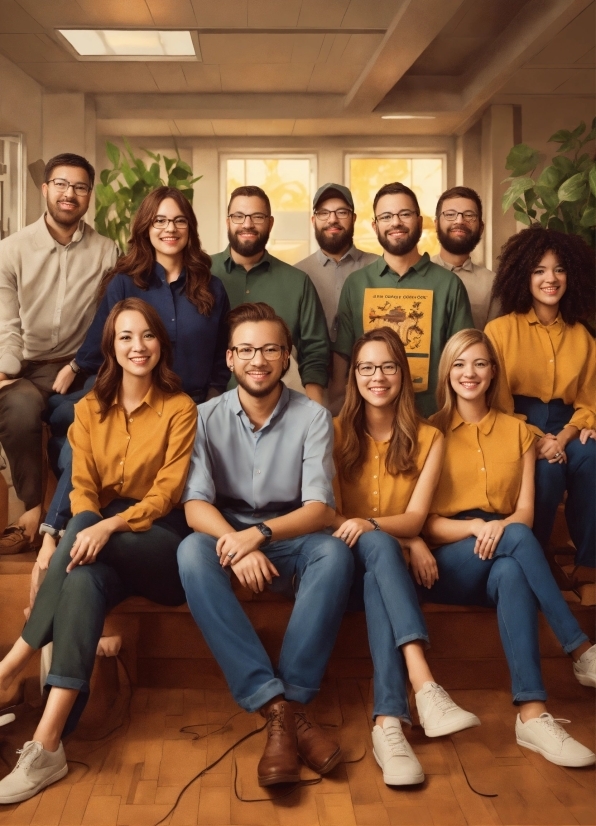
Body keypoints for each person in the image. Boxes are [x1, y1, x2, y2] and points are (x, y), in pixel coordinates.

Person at [0, 298, 197, 804]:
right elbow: (81, 487)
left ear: (160, 344)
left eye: (147, 336)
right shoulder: (87, 410)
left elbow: (166, 495)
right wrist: (93, 526)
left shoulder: (181, 408)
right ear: (110, 344)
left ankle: (12, 664)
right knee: (83, 576)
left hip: (161, 545)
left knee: (87, 527)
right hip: (97, 546)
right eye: (126, 336)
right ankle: (47, 746)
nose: (138, 346)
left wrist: (107, 526)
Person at [177, 302, 353, 787]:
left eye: (271, 348)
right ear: (230, 358)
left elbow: (319, 508)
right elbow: (194, 507)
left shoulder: (314, 416)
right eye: (248, 350)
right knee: (190, 552)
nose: (259, 360)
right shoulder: (203, 417)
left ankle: (288, 704)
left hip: (290, 533)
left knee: (335, 552)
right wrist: (239, 540)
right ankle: (278, 708)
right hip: (227, 530)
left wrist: (262, 535)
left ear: (287, 357)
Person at [420, 328, 596, 768]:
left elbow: (524, 512)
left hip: (503, 549)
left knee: (513, 569)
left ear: (493, 371)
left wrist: (571, 439)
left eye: (479, 363)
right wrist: (477, 528)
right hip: (447, 558)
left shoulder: (520, 432)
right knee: (516, 540)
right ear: (447, 373)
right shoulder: (430, 433)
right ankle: (579, 649)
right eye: (459, 364)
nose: (469, 373)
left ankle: (532, 715)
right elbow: (424, 523)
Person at [37, 186, 230, 552]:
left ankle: (56, 534)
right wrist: (75, 365)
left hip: (187, 406)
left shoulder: (212, 287)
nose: (169, 228)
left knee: (71, 440)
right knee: (70, 423)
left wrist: (213, 399)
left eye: (179, 220)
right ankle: (59, 532)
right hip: (130, 397)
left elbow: (223, 353)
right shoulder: (125, 281)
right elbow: (102, 340)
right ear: (146, 227)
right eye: (159, 220)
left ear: (190, 228)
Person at [332, 326, 479, 786]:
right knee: (375, 549)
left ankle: (388, 724)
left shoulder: (429, 437)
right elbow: (336, 519)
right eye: (367, 367)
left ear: (405, 374)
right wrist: (406, 539)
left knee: (380, 559)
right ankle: (425, 686)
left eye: (389, 366)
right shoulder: (332, 433)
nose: (378, 376)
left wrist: (404, 537)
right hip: (341, 569)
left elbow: (415, 519)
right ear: (354, 375)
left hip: (385, 578)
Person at [0, 153, 118, 549]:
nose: (70, 194)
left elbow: (107, 318)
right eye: (62, 185)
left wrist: (76, 363)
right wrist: (6, 369)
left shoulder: (106, 250)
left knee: (78, 417)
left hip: (77, 363)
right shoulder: (11, 250)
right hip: (23, 363)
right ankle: (33, 508)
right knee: (19, 411)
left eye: (80, 187)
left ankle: (68, 519)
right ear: (45, 188)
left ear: (89, 195)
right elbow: (6, 322)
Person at [485, 227, 595, 583]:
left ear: (571, 275)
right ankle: (537, 556)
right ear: (523, 277)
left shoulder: (583, 336)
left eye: (559, 269)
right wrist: (536, 439)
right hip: (516, 421)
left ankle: (588, 565)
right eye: (539, 270)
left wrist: (562, 438)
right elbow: (496, 405)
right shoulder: (499, 331)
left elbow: (589, 401)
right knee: (545, 472)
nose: (551, 278)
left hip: (568, 425)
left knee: (592, 459)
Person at [331, 182, 473, 417]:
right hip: (368, 422)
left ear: (419, 221)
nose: (395, 222)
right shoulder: (356, 284)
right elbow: (342, 359)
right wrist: (339, 415)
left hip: (433, 418)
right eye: (386, 216)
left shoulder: (448, 284)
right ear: (375, 226)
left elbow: (463, 358)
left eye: (404, 214)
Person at [210, 185, 329, 404]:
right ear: (228, 222)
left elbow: (315, 352)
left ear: (270, 223)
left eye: (257, 216)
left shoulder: (297, 282)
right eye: (238, 216)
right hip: (208, 410)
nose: (247, 224)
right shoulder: (200, 274)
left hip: (280, 410)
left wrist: (316, 412)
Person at [295, 183, 379, 340]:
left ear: (353, 218)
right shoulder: (297, 274)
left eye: (341, 212)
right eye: (324, 213)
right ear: (313, 220)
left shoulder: (379, 267)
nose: (332, 219)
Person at [431, 186, 498, 329]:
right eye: (450, 214)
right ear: (436, 224)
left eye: (469, 215)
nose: (460, 221)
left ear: (481, 227)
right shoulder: (417, 273)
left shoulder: (493, 284)